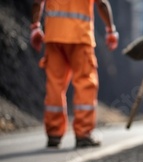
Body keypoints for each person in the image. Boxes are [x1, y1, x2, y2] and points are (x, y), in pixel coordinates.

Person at [30, 0, 118, 148]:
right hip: (80, 37)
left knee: (54, 85)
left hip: (54, 37)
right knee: (85, 84)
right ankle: (83, 134)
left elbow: (37, 3)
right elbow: (102, 3)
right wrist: (110, 30)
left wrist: (35, 27)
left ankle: (53, 133)